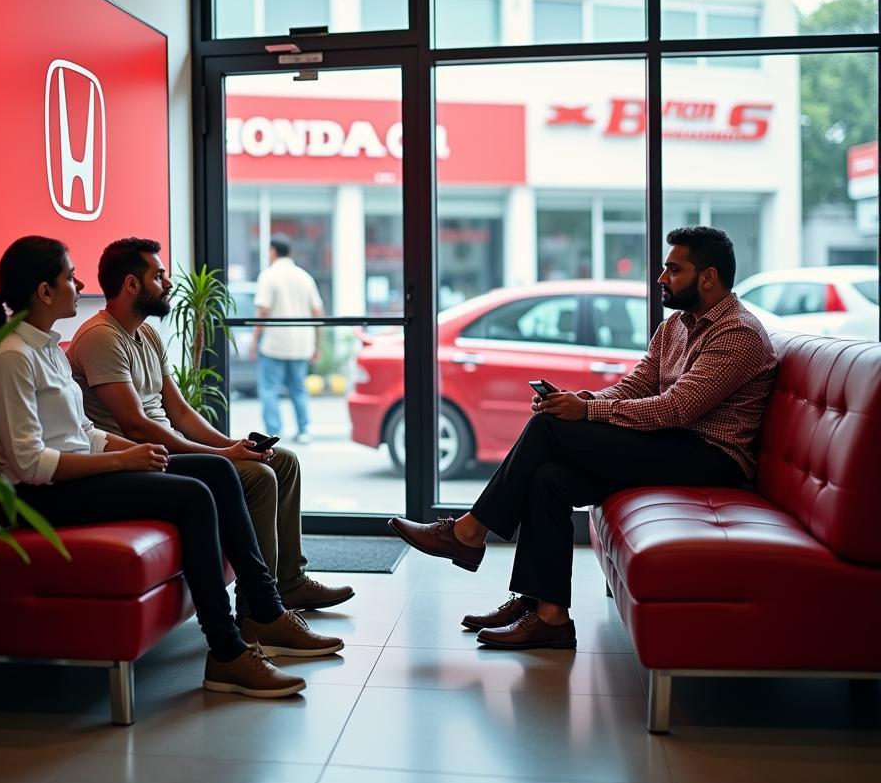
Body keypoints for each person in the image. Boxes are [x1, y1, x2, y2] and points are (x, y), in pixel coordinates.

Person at [0, 235, 344, 700]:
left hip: (78, 475)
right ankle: (227, 652)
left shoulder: (46, 349)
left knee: (219, 473)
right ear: (44, 292)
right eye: (70, 277)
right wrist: (122, 459)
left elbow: (83, 430)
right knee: (193, 495)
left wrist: (130, 452)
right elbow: (29, 465)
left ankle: (265, 611)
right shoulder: (11, 359)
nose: (80, 282)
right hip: (42, 497)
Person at [390, 227, 778, 650]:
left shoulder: (737, 333)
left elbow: (676, 408)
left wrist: (586, 412)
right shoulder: (677, 327)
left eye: (673, 269)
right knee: (549, 478)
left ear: (708, 277)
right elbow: (637, 386)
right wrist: (582, 400)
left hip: (711, 460)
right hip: (673, 445)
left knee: (548, 427)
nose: (661, 279)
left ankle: (469, 533)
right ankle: (547, 613)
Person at [66, 237, 354, 617]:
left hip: (169, 446)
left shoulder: (147, 334)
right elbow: (137, 427)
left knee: (283, 461)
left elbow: (180, 412)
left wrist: (232, 444)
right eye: (159, 275)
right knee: (258, 476)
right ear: (132, 285)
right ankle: (257, 608)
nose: (168, 283)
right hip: (143, 457)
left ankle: (290, 583)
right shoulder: (101, 337)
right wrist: (221, 455)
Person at [250, 233, 324, 444]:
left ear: (273, 251)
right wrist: (317, 345)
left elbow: (262, 310)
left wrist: (255, 340)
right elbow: (317, 311)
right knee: (299, 389)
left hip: (275, 344)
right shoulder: (305, 276)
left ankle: (273, 434)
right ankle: (303, 430)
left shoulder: (269, 275)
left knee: (269, 390)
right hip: (302, 344)